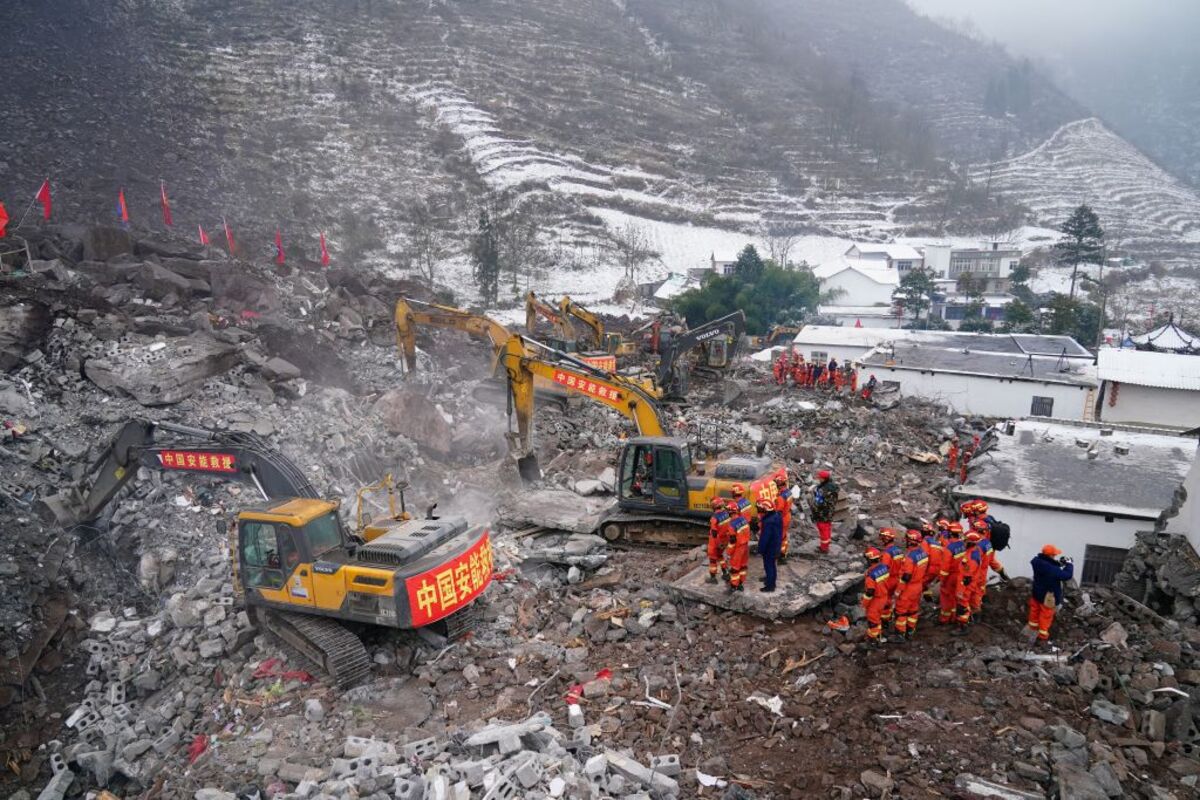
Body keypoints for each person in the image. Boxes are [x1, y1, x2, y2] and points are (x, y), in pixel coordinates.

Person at [1028, 545, 1073, 645]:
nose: (1055, 556)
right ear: (1050, 555)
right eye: (1054, 555)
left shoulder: (1037, 562)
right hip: (1047, 596)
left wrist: (1059, 564)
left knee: (1034, 611)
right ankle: (1042, 637)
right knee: (1046, 615)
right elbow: (1066, 575)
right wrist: (1069, 565)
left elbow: (1051, 568)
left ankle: (1032, 630)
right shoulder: (1050, 568)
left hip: (1037, 592)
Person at [894, 530, 930, 640]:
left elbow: (906, 577)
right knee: (913, 610)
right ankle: (910, 630)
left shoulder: (909, 558)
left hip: (908, 588)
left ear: (910, 541)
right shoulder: (923, 553)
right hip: (918, 586)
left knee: (901, 611)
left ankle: (900, 635)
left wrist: (898, 590)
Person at [968, 520, 1009, 618]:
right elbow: (991, 561)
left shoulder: (977, 545)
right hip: (982, 573)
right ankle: (975, 610)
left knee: (974, 593)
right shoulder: (988, 544)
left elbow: (972, 561)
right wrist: (1002, 572)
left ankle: (974, 615)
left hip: (976, 573)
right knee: (978, 591)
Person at [938, 522, 967, 625]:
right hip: (960, 575)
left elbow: (945, 568)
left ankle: (944, 619)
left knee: (946, 597)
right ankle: (954, 617)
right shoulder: (963, 545)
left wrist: (942, 580)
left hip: (950, 576)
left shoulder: (949, 548)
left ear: (950, 533)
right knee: (955, 597)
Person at [861, 547, 891, 645]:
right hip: (884, 596)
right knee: (878, 618)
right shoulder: (884, 567)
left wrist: (864, 604)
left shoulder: (871, 575)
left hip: (876, 600)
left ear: (870, 559)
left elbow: (870, 592)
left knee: (872, 620)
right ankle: (879, 636)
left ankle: (872, 640)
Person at [877, 528, 904, 626]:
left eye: (882, 537)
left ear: (886, 539)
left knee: (885, 600)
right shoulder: (899, 551)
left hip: (889, 580)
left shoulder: (887, 553)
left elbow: (884, 569)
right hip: (897, 578)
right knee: (891, 599)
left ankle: (885, 621)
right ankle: (888, 616)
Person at [726, 500, 752, 592]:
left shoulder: (732, 525)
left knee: (734, 568)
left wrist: (728, 552)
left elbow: (732, 541)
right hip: (745, 546)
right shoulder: (744, 520)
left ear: (730, 512)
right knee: (743, 566)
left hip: (738, 548)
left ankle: (734, 586)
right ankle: (741, 583)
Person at [757, 497, 782, 593]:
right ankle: (769, 579)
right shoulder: (776, 516)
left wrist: (760, 549)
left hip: (770, 548)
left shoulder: (768, 522)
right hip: (775, 545)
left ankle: (770, 586)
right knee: (772, 565)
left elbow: (765, 538)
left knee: (769, 566)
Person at [810, 470, 838, 553]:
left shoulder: (825, 489)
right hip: (829, 511)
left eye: (820, 478)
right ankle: (825, 545)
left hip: (823, 512)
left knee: (823, 528)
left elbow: (821, 502)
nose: (819, 479)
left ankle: (824, 548)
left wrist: (815, 509)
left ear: (823, 479)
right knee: (827, 527)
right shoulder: (831, 486)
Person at [706, 497, 732, 583]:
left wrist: (718, 544)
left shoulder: (714, 518)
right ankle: (725, 573)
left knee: (713, 559)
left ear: (713, 506)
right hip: (725, 540)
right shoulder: (726, 514)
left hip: (716, 542)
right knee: (720, 556)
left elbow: (714, 533)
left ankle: (713, 578)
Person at [774, 475, 792, 562]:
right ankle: (783, 553)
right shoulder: (788, 492)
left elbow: (779, 511)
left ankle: (780, 555)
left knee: (779, 537)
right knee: (783, 537)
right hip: (787, 516)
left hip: (782, 519)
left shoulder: (781, 497)